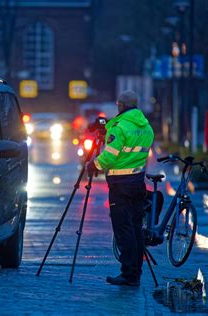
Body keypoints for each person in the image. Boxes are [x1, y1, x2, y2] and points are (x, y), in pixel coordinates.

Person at [87, 90, 154, 286]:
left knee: (123, 229)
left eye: (118, 103)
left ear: (122, 105)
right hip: (137, 183)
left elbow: (110, 156)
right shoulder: (146, 127)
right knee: (136, 229)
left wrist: (93, 165)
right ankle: (136, 273)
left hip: (120, 185)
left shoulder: (119, 126)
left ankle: (128, 274)